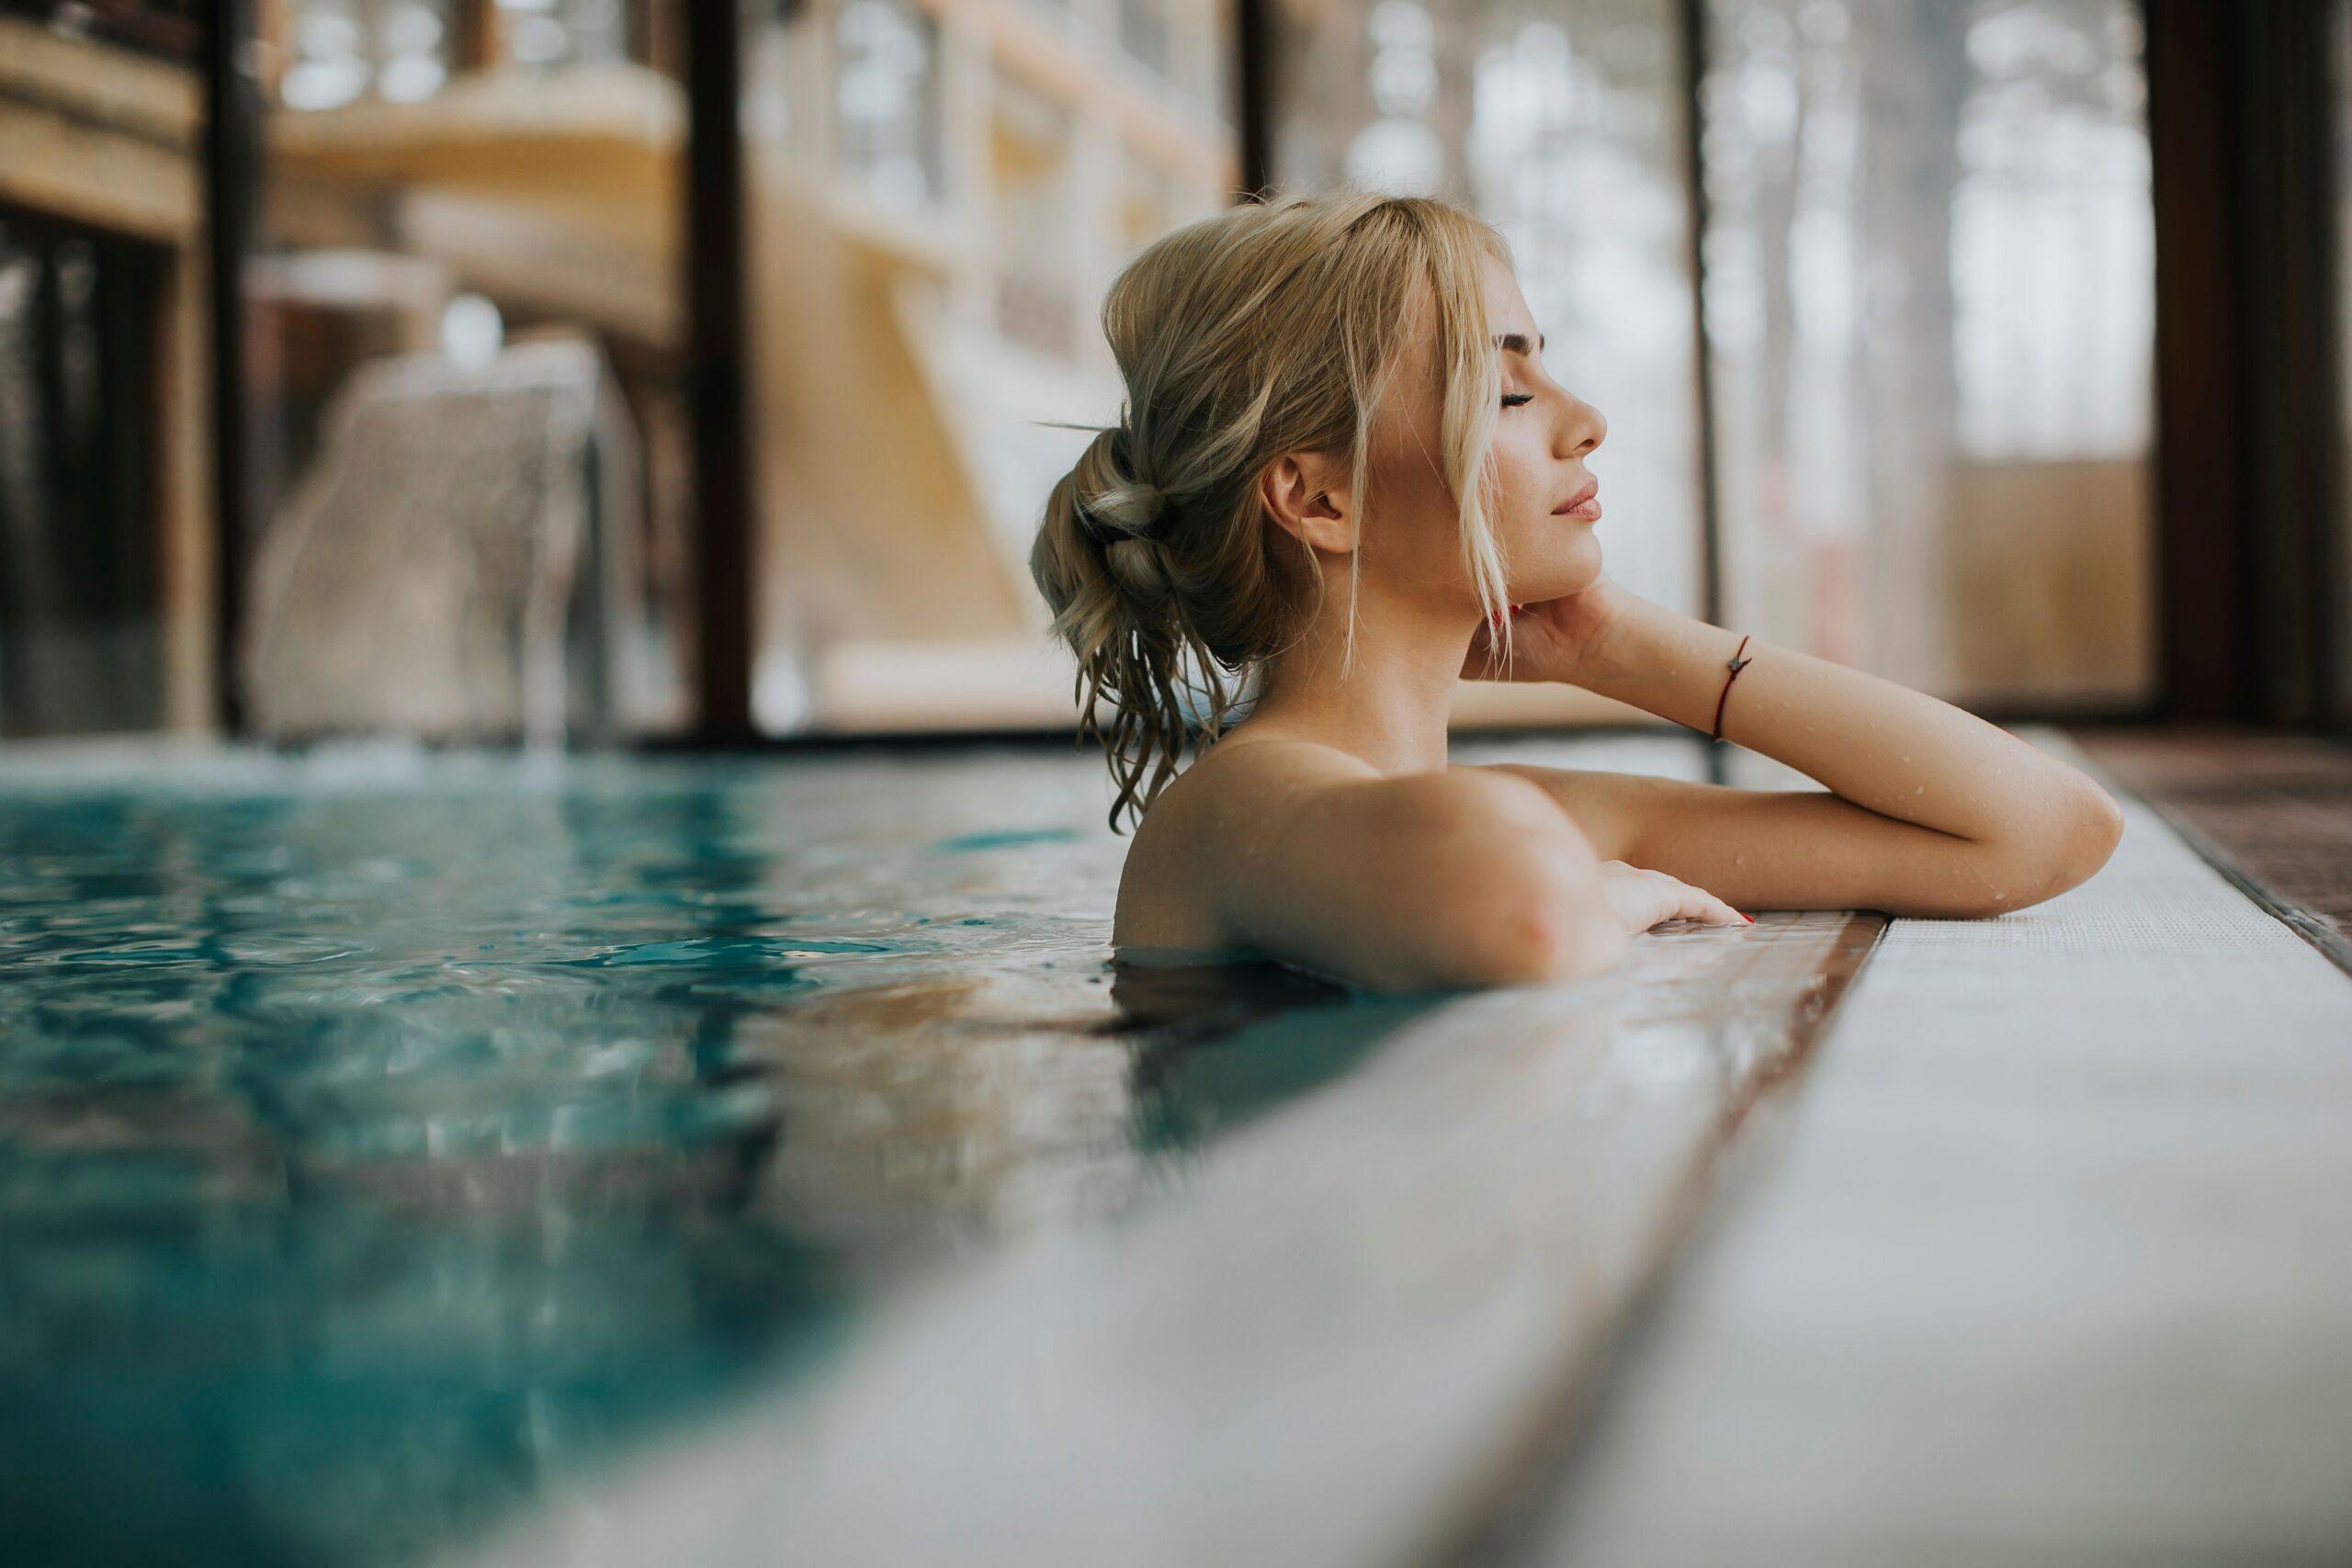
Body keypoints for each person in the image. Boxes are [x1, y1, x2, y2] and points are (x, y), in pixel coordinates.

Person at [1029, 188, 2124, 993]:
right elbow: (1527, 918)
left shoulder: (1523, 817)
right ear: (1319, 503)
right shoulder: (1235, 807)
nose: (1583, 414)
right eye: (1506, 391)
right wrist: (1615, 892)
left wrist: (1617, 646)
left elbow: (2040, 833)